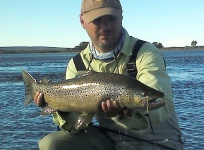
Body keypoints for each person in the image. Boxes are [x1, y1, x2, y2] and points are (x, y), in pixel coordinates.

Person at [34, 0, 184, 149]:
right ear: (82, 22)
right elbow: (75, 126)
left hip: (159, 143)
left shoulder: (145, 53)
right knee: (51, 144)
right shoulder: (77, 64)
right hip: (110, 141)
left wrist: (125, 113)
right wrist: (54, 105)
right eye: (97, 20)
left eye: (111, 18)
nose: (105, 26)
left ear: (121, 17)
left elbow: (162, 107)